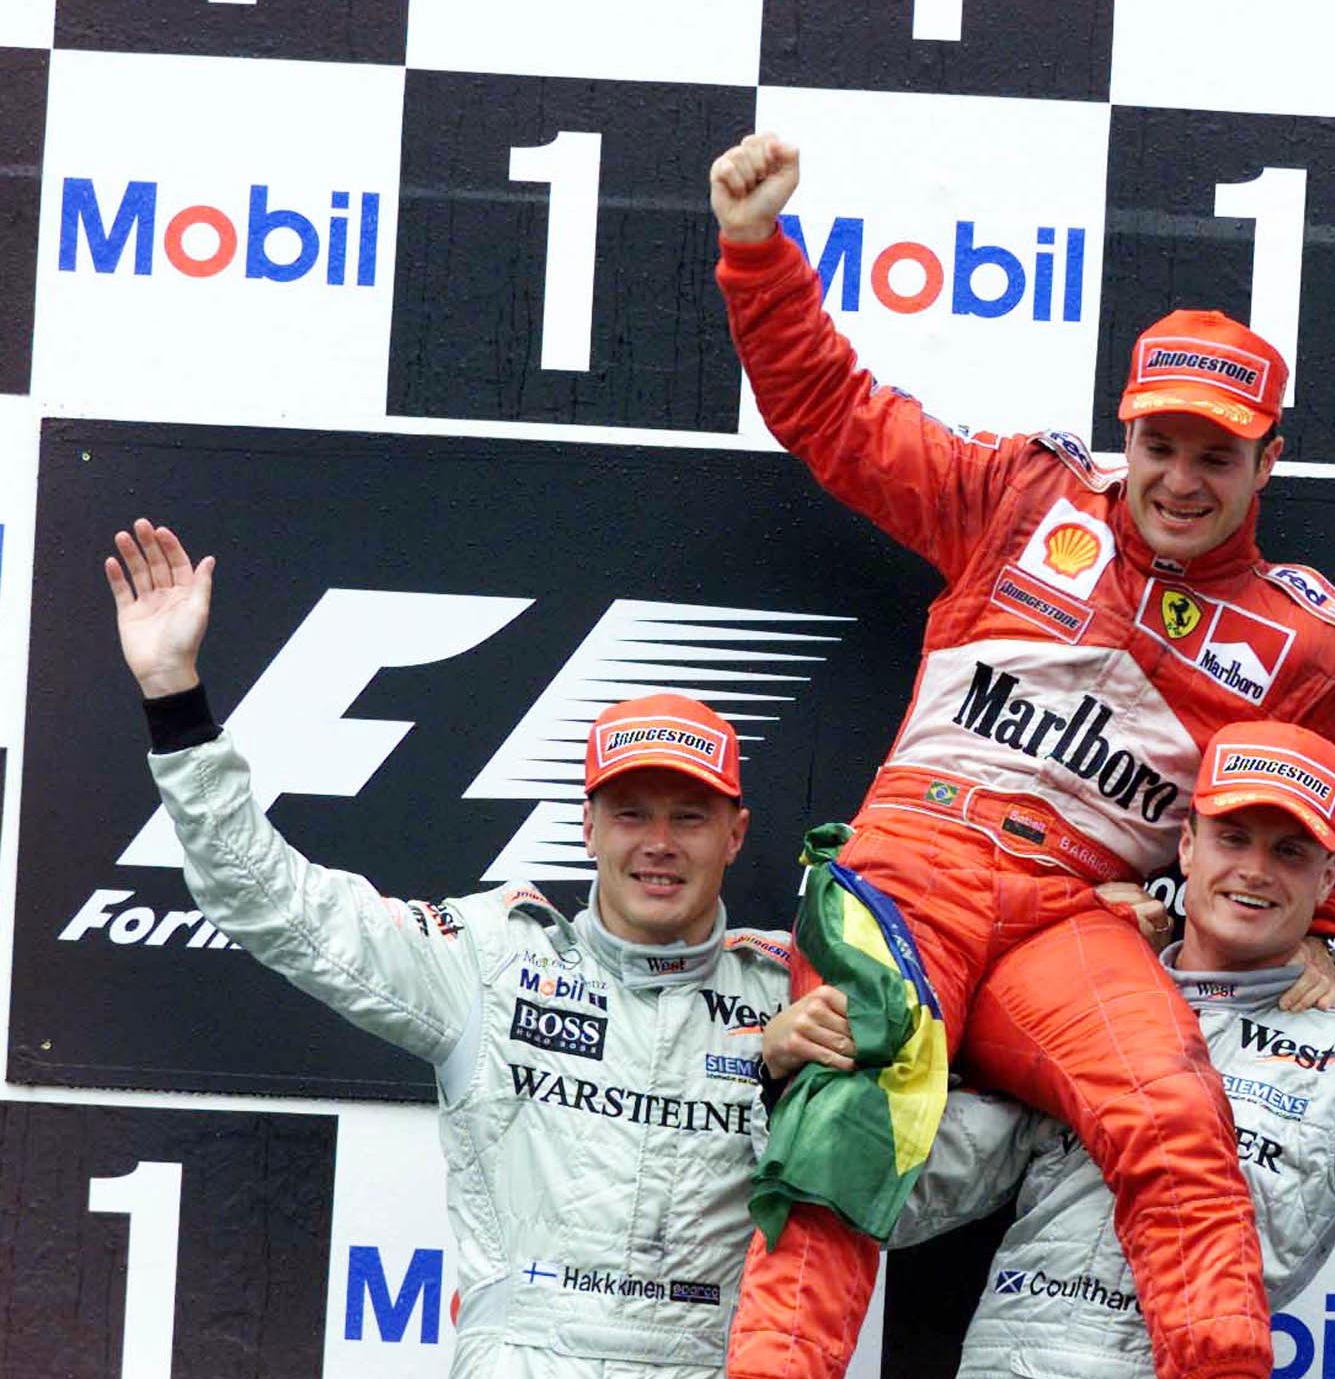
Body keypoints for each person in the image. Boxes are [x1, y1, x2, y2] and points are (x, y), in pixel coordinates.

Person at [711, 133, 1335, 1379]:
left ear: (1266, 460)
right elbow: (837, 419)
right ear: (1126, 427)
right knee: (850, 1110)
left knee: (1179, 1123)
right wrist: (759, 256)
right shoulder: (1022, 496)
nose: (1180, 479)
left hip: (1074, 916)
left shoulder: (1303, 634)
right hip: (920, 872)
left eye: (1216, 454)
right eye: (1161, 443)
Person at [103, 518, 856, 1379]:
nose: (659, 843)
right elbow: (271, 900)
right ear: (587, 828)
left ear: (736, 835)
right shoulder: (495, 959)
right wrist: (173, 694)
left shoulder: (790, 991)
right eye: (631, 813)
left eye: (689, 816)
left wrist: (803, 1091)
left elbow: (910, 1196)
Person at [891, 721, 1335, 1378]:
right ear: (1186, 847)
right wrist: (798, 1068)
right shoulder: (1075, 999)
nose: (1255, 872)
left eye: (1289, 853)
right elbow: (914, 1190)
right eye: (1232, 839)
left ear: (1326, 881)